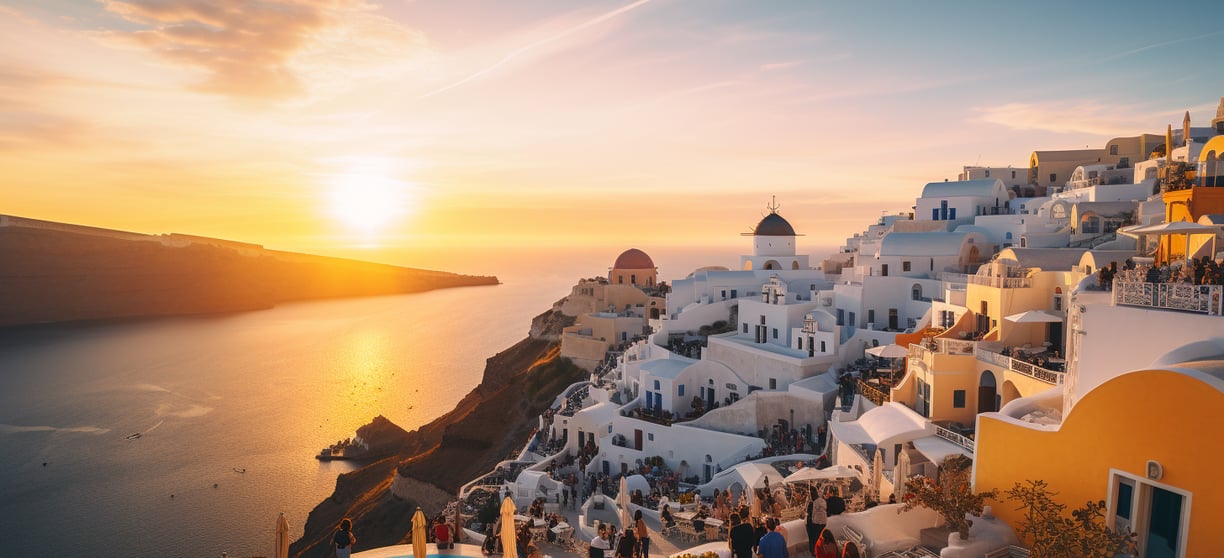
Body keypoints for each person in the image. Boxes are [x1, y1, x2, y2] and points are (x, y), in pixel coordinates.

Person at [804, 487, 827, 554]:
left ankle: (813, 551)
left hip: (813, 523)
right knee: (818, 538)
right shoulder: (823, 501)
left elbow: (808, 512)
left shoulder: (812, 503)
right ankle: (818, 551)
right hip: (823, 522)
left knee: (812, 538)